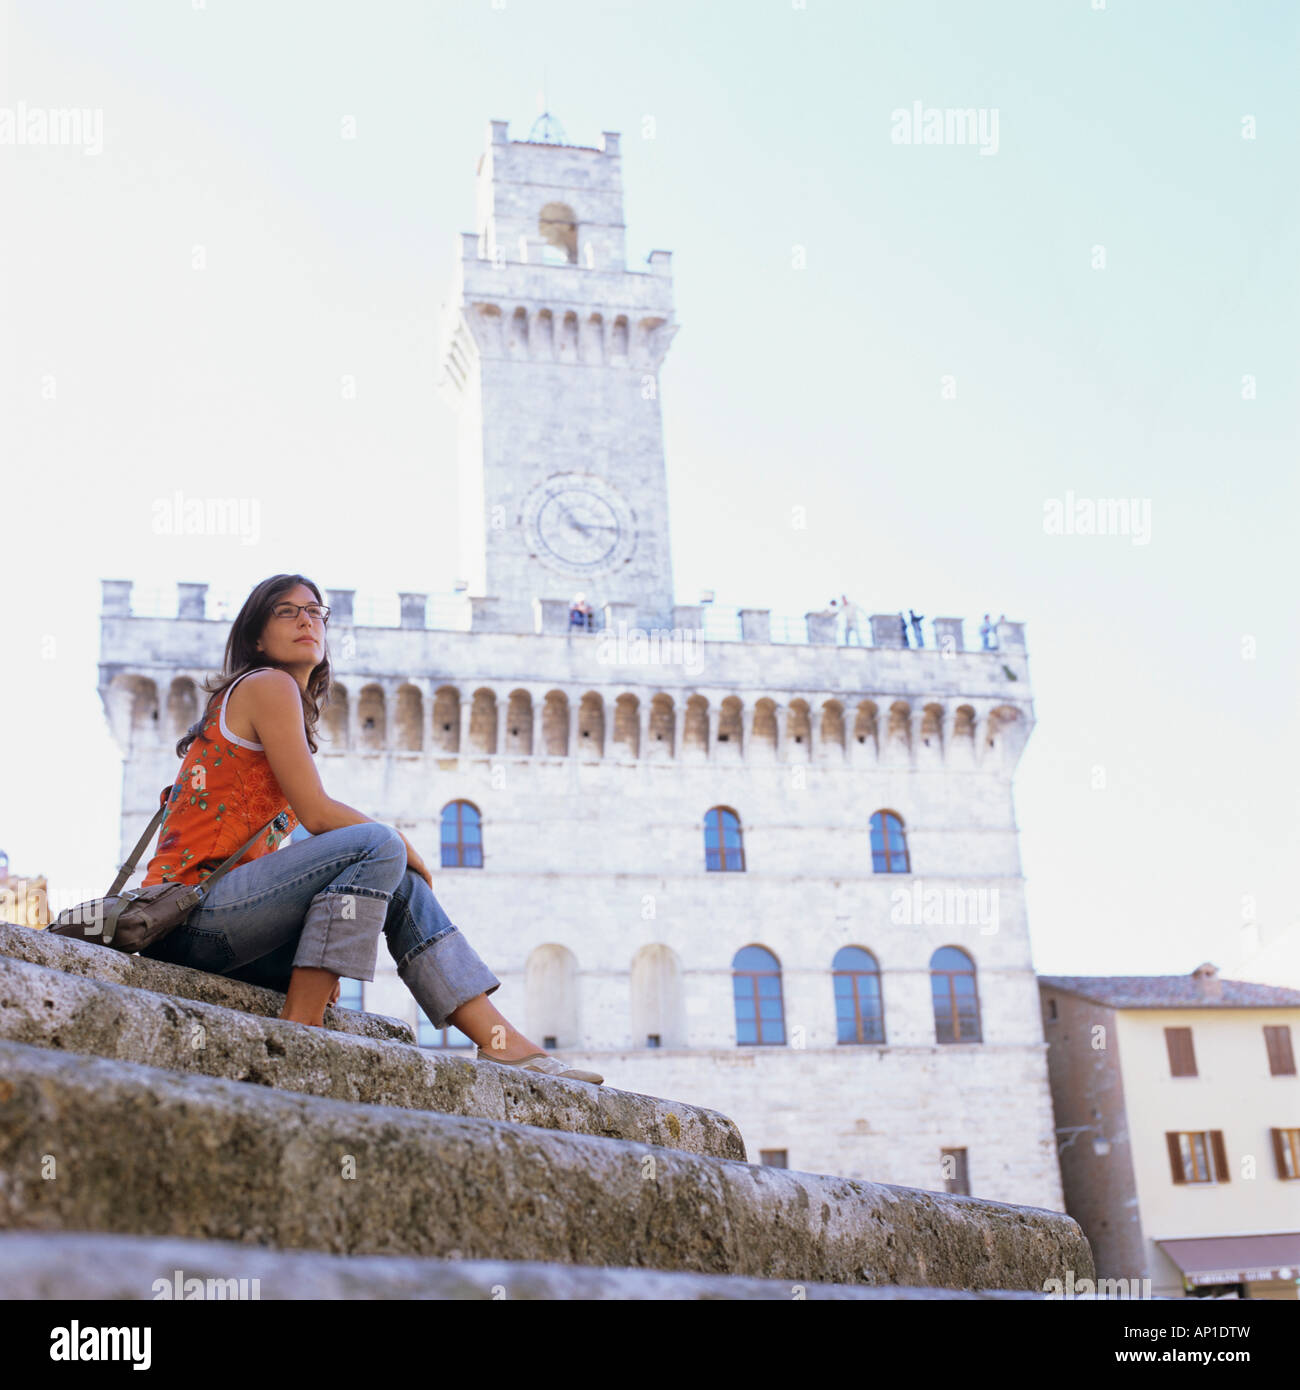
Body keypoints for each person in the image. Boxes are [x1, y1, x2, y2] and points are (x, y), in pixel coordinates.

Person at [138, 573, 603, 1085]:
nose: (307, 621)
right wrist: (399, 841)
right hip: (188, 920)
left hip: (234, 932)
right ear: (255, 637)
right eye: (287, 612)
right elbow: (316, 814)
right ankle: (303, 1024)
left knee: (396, 879)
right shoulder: (265, 686)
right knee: (379, 845)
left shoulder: (278, 701)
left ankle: (501, 1042)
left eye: (316, 612)